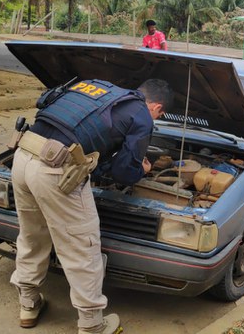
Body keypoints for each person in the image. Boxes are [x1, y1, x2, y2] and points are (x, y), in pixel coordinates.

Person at [9, 78, 174, 334]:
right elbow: (122, 173)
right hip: (57, 170)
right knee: (82, 249)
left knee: (32, 235)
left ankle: (28, 304)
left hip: (22, 155)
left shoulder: (96, 88)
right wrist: (139, 170)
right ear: (157, 108)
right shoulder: (142, 114)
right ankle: (92, 325)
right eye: (159, 115)